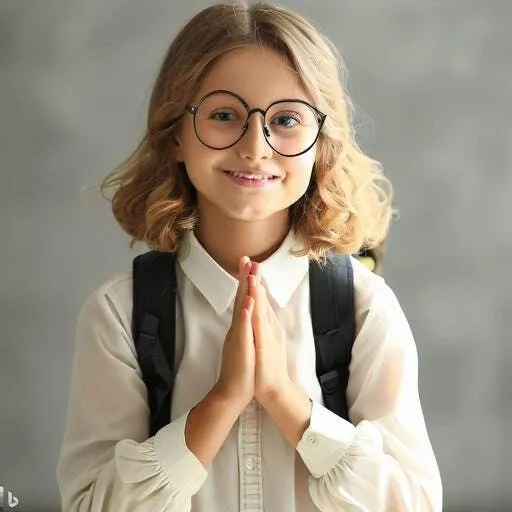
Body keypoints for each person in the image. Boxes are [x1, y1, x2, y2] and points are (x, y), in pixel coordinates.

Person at [56, 2, 442, 511]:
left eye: (285, 119)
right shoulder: (120, 316)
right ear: (175, 134)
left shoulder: (364, 310)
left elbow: (412, 503)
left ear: (320, 143)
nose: (256, 147)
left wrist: (283, 396)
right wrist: (222, 399)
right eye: (223, 115)